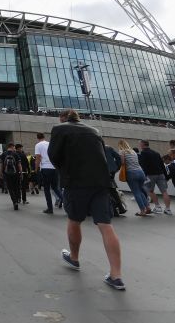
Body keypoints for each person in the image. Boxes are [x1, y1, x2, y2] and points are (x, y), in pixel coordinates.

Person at [48, 109, 125, 291]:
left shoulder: (59, 129)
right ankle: (116, 275)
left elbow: (54, 156)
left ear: (62, 118)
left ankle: (74, 258)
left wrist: (65, 170)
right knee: (105, 225)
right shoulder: (94, 131)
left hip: (76, 182)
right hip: (101, 182)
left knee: (74, 219)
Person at [117, 140, 150, 216]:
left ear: (120, 145)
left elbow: (122, 162)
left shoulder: (122, 151)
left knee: (136, 192)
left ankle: (142, 211)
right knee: (140, 191)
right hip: (141, 172)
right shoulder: (133, 151)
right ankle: (148, 207)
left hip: (131, 173)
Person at [138, 140, 171, 215]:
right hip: (160, 174)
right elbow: (162, 165)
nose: (139, 145)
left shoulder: (143, 153)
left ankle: (158, 206)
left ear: (143, 145)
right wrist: (166, 176)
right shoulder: (156, 153)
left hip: (150, 175)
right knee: (164, 192)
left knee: (150, 190)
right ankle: (168, 209)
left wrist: (144, 175)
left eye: (140, 144)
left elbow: (143, 165)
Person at [35, 133, 63, 214]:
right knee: (55, 188)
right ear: (44, 137)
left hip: (45, 168)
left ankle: (50, 208)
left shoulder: (38, 145)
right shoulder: (50, 144)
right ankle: (68, 204)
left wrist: (36, 169)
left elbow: (38, 158)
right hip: (54, 168)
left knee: (47, 189)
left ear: (37, 138)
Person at [1, 144, 22, 210]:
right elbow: (19, 164)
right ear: (12, 147)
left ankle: (14, 202)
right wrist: (21, 172)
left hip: (7, 174)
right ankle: (17, 198)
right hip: (15, 174)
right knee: (16, 187)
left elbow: (1, 164)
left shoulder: (3, 154)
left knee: (10, 188)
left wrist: (0, 172)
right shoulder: (15, 154)